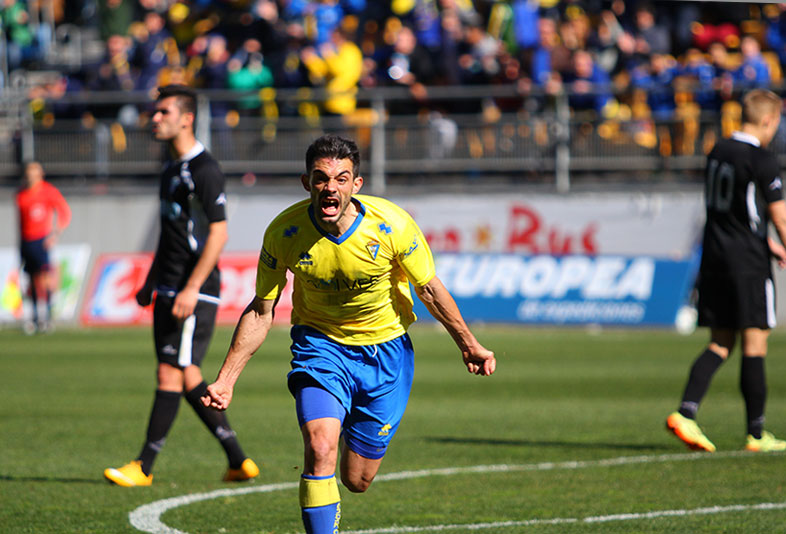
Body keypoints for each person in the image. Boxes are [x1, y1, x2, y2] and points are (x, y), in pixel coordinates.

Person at [201, 134, 496, 533]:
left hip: (386, 353)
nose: (330, 188)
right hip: (321, 348)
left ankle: (345, 430)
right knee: (320, 447)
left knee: (357, 480)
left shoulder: (391, 224)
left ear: (356, 184)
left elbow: (428, 288)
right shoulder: (283, 234)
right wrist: (226, 379)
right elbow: (261, 308)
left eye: (341, 178)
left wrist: (469, 344)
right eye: (321, 178)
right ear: (307, 183)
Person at [103, 85, 259, 487]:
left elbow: (219, 234)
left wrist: (191, 288)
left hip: (195, 289)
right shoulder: (170, 169)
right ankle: (238, 460)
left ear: (186, 118)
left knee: (170, 373)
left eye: (163, 112)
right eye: (154, 112)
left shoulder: (204, 169)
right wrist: (151, 281)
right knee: (187, 375)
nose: (154, 118)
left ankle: (144, 466)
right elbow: (169, 233)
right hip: (169, 286)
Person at [666, 89, 786, 453]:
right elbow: (782, 219)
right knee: (755, 342)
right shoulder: (762, 159)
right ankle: (756, 433)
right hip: (747, 264)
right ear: (769, 120)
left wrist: (766, 242)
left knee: (721, 341)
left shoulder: (718, 149)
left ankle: (686, 413)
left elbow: (733, 212)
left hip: (715, 257)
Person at [15, 161, 72, 334]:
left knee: (45, 277)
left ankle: (46, 316)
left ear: (40, 174)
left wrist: (55, 234)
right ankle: (33, 318)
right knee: (31, 279)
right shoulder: (21, 195)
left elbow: (64, 212)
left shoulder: (48, 192)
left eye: (34, 172)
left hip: (41, 240)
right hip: (26, 241)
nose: (31, 175)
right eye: (29, 172)